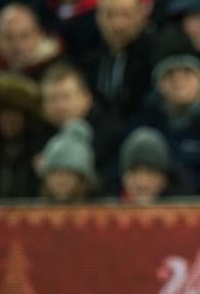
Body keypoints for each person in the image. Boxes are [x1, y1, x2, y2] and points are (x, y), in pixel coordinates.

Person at [127, 53, 200, 194]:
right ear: (158, 85)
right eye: (170, 75)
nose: (179, 81)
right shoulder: (147, 121)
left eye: (187, 73)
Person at [40, 61, 124, 196]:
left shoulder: (110, 134)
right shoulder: (36, 133)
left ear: (86, 97)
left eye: (66, 97)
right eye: (53, 99)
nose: (60, 107)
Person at [0, 3, 65, 80]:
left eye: (24, 36)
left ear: (39, 35)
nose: (17, 45)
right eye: (9, 38)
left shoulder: (61, 72)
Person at [119, 126, 187, 203]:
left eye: (150, 173)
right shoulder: (106, 208)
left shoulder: (187, 210)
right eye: (134, 172)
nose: (142, 183)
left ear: (164, 178)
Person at [39, 118, 99, 203]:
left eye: (68, 173)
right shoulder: (33, 213)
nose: (61, 180)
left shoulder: (101, 213)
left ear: (82, 178)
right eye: (55, 172)